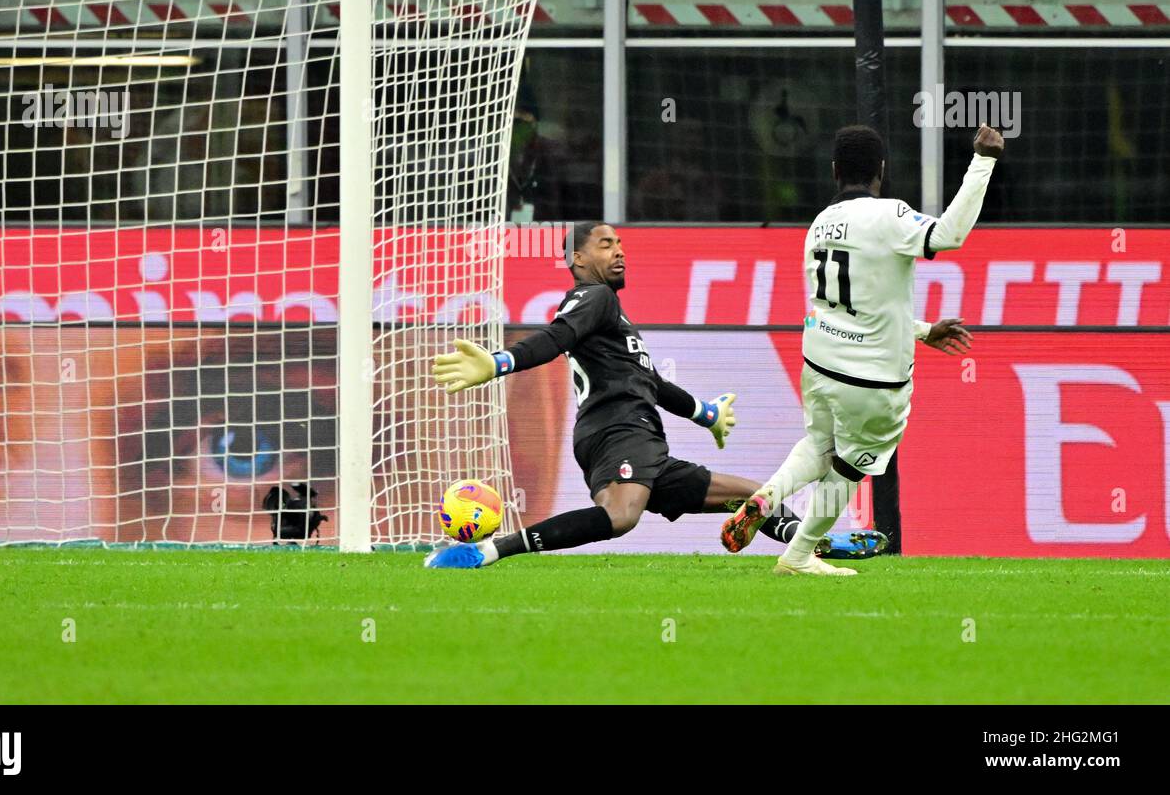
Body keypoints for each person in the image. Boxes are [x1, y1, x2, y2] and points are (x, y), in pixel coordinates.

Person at [423, 220, 884, 569]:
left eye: (620, 243)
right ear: (578, 259)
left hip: (637, 438)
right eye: (605, 244)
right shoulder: (593, 299)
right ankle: (489, 551)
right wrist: (499, 363)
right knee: (621, 517)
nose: (619, 251)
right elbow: (555, 337)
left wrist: (705, 413)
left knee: (751, 495)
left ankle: (808, 544)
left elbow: (650, 382)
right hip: (619, 429)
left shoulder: (614, 318)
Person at [720, 124, 1005, 575]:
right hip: (873, 380)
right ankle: (797, 555)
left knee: (819, 443)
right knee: (852, 466)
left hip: (820, 364)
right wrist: (983, 160)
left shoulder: (818, 225)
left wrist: (923, 328)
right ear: (882, 171)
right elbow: (948, 235)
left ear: (834, 171)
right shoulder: (890, 215)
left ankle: (768, 495)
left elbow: (848, 306)